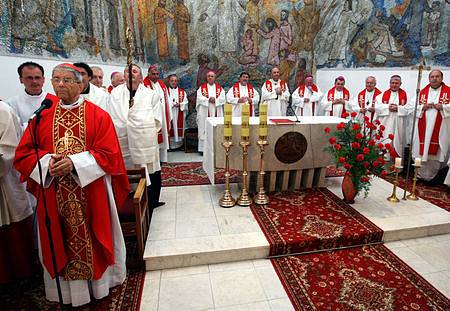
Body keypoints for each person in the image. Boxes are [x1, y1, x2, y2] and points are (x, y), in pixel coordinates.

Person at [14, 63, 130, 307]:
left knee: (93, 237)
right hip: (54, 193)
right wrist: (47, 163)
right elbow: (25, 154)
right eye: (56, 80)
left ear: (81, 84)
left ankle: (98, 287)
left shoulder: (98, 115)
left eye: (67, 80)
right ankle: (66, 292)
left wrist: (75, 163)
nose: (60, 85)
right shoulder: (42, 116)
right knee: (58, 237)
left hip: (91, 192)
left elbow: (109, 154)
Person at [108, 64, 165, 209]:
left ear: (140, 76)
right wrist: (128, 125)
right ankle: (130, 200)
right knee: (128, 171)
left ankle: (152, 202)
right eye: (128, 71)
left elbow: (157, 120)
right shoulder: (115, 94)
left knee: (151, 170)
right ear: (124, 75)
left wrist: (136, 126)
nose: (131, 74)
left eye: (135, 71)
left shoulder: (151, 95)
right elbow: (111, 117)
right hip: (123, 141)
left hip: (145, 140)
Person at [0, 101, 34, 284]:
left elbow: (8, 152)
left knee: (14, 239)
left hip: (6, 184)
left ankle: (21, 277)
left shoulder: (3, 112)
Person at [412, 70, 449, 182]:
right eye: (432, 76)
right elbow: (410, 107)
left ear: (442, 78)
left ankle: (434, 177)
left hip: (441, 128)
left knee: (437, 153)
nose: (434, 78)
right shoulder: (421, 92)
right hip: (423, 128)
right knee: (421, 150)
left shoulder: (448, 91)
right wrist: (422, 107)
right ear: (429, 79)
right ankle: (420, 175)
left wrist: (443, 107)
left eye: (437, 76)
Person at [374, 75, 412, 159]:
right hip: (386, 125)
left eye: (396, 83)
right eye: (392, 83)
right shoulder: (381, 96)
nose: (394, 85)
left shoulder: (407, 96)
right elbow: (377, 108)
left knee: (398, 144)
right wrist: (388, 107)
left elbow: (410, 108)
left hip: (399, 125)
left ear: (400, 84)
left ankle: (397, 168)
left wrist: (398, 108)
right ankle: (383, 166)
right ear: (389, 83)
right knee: (384, 144)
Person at [6, 62, 53, 129]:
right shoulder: (12, 104)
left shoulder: (53, 101)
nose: (34, 81)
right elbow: (13, 131)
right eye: (29, 78)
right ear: (21, 80)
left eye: (37, 77)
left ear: (43, 79)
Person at [143, 65, 172, 162]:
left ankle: (163, 158)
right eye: (153, 74)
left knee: (163, 135)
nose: (155, 76)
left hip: (163, 114)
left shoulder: (162, 84)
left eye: (157, 74)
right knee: (154, 136)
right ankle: (154, 159)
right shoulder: (144, 84)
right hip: (152, 115)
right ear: (148, 74)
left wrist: (169, 112)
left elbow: (167, 98)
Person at [196, 71, 226, 153]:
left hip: (217, 111)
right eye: (209, 76)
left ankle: (217, 148)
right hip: (205, 112)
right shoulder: (201, 89)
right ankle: (202, 149)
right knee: (204, 128)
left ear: (215, 77)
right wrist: (208, 99)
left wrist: (215, 100)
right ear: (206, 77)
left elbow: (223, 99)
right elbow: (199, 98)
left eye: (212, 76)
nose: (210, 77)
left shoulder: (220, 89)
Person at [167, 74, 188, 150]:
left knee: (178, 128)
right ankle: (170, 146)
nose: (174, 82)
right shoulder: (166, 92)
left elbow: (186, 103)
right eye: (172, 80)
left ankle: (179, 145)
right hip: (170, 112)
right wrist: (171, 104)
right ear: (169, 81)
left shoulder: (182, 92)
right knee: (171, 127)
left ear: (177, 82)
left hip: (179, 112)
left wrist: (180, 104)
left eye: (175, 81)